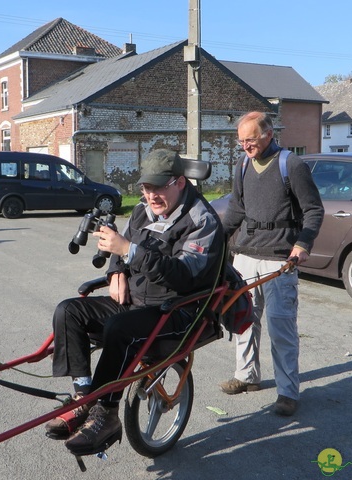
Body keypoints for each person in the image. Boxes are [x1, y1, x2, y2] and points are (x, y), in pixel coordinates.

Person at [46, 149, 224, 455]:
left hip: (177, 310)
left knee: (118, 328)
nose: (150, 196)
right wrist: (117, 270)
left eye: (158, 188)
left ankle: (106, 412)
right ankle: (84, 397)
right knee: (69, 311)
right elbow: (121, 250)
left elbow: (182, 275)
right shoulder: (143, 210)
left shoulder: (202, 220)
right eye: (146, 188)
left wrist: (129, 251)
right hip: (138, 302)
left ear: (180, 182)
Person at [219, 111, 324, 416]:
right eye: (241, 141)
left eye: (249, 140)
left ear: (268, 134)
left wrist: (302, 244)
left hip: (279, 260)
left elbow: (313, 210)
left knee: (281, 327)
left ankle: (287, 392)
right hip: (245, 256)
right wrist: (216, 239)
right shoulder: (242, 165)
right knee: (243, 322)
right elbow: (237, 209)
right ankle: (247, 376)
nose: (245, 146)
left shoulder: (291, 164)